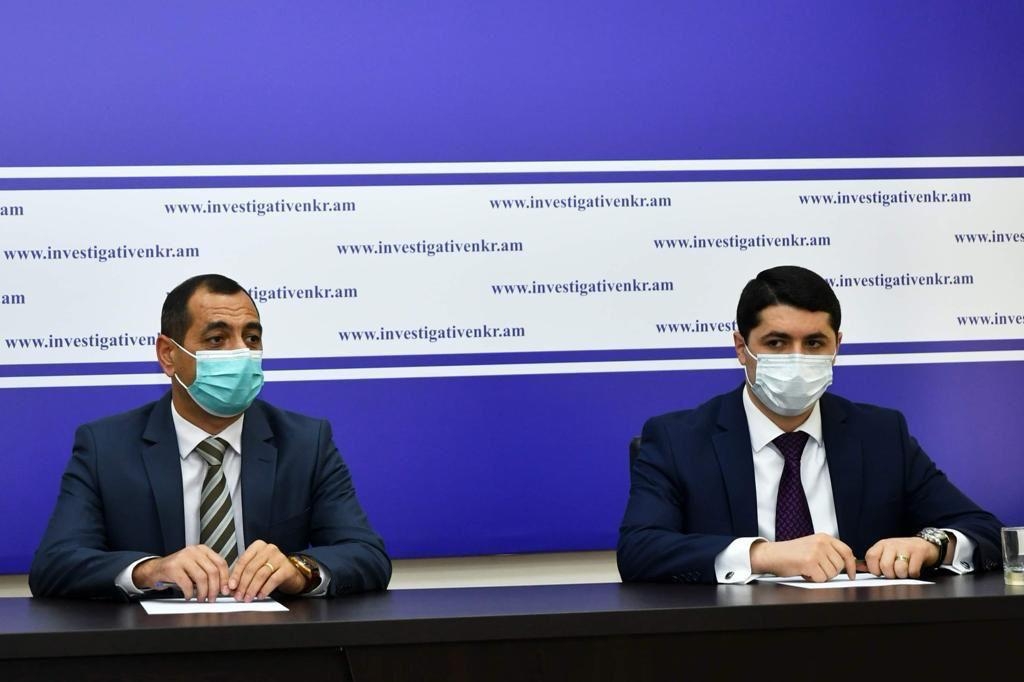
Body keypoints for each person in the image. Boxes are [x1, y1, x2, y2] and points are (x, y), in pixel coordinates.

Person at [617, 265, 1004, 584]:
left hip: (862, 634)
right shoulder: (678, 439)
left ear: (837, 346)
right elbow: (640, 550)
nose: (797, 358)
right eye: (776, 343)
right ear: (741, 348)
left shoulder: (881, 434)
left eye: (815, 344)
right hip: (733, 636)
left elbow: (983, 529)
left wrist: (930, 545)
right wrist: (765, 554)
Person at [30, 274, 391, 601]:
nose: (241, 352)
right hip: (154, 644)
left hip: (272, 640)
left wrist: (299, 570)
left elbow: (367, 554)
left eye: (251, 337)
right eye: (217, 339)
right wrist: (150, 570)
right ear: (168, 355)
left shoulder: (305, 442)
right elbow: (55, 564)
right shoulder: (106, 446)